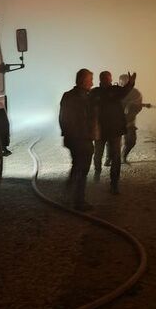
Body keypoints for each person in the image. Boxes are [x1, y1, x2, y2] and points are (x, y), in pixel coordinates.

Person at [90, 71, 136, 194]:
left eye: (108, 78)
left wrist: (130, 83)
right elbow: (89, 108)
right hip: (100, 130)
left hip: (115, 130)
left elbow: (125, 91)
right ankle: (97, 172)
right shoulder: (94, 93)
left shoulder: (115, 90)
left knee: (115, 157)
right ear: (101, 79)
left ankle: (114, 184)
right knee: (98, 153)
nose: (107, 80)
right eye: (105, 78)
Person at [59, 69, 95, 211]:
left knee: (77, 167)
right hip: (81, 139)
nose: (92, 83)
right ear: (84, 80)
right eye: (90, 80)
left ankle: (67, 196)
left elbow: (62, 118)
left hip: (75, 138)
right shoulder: (85, 98)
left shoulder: (69, 96)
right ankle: (78, 201)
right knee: (82, 169)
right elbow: (67, 118)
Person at [118, 73, 150, 163]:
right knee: (113, 143)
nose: (123, 83)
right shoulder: (115, 91)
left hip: (129, 121)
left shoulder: (135, 93)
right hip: (115, 122)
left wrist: (132, 105)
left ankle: (123, 156)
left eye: (126, 81)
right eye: (122, 81)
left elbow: (138, 103)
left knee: (131, 141)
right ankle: (110, 158)